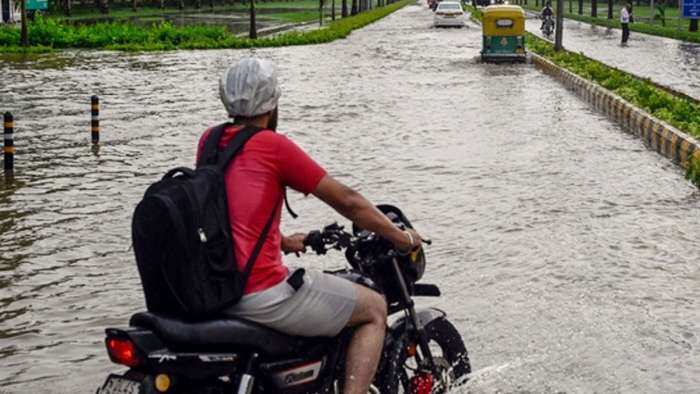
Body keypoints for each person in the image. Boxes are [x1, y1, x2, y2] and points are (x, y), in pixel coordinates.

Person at [197, 58, 423, 394]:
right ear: (272, 102)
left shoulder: (210, 142)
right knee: (374, 307)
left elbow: (228, 208)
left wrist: (283, 241)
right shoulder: (273, 146)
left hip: (217, 286)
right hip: (260, 292)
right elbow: (348, 201)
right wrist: (402, 237)